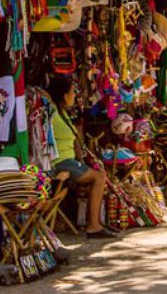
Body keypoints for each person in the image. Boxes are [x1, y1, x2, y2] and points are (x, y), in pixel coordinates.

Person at [47, 76, 116, 239]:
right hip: (60, 163)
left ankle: (97, 222)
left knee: (99, 174)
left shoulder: (62, 113)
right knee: (99, 177)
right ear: (64, 95)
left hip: (69, 161)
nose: (74, 96)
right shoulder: (53, 112)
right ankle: (93, 226)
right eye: (72, 92)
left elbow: (74, 140)